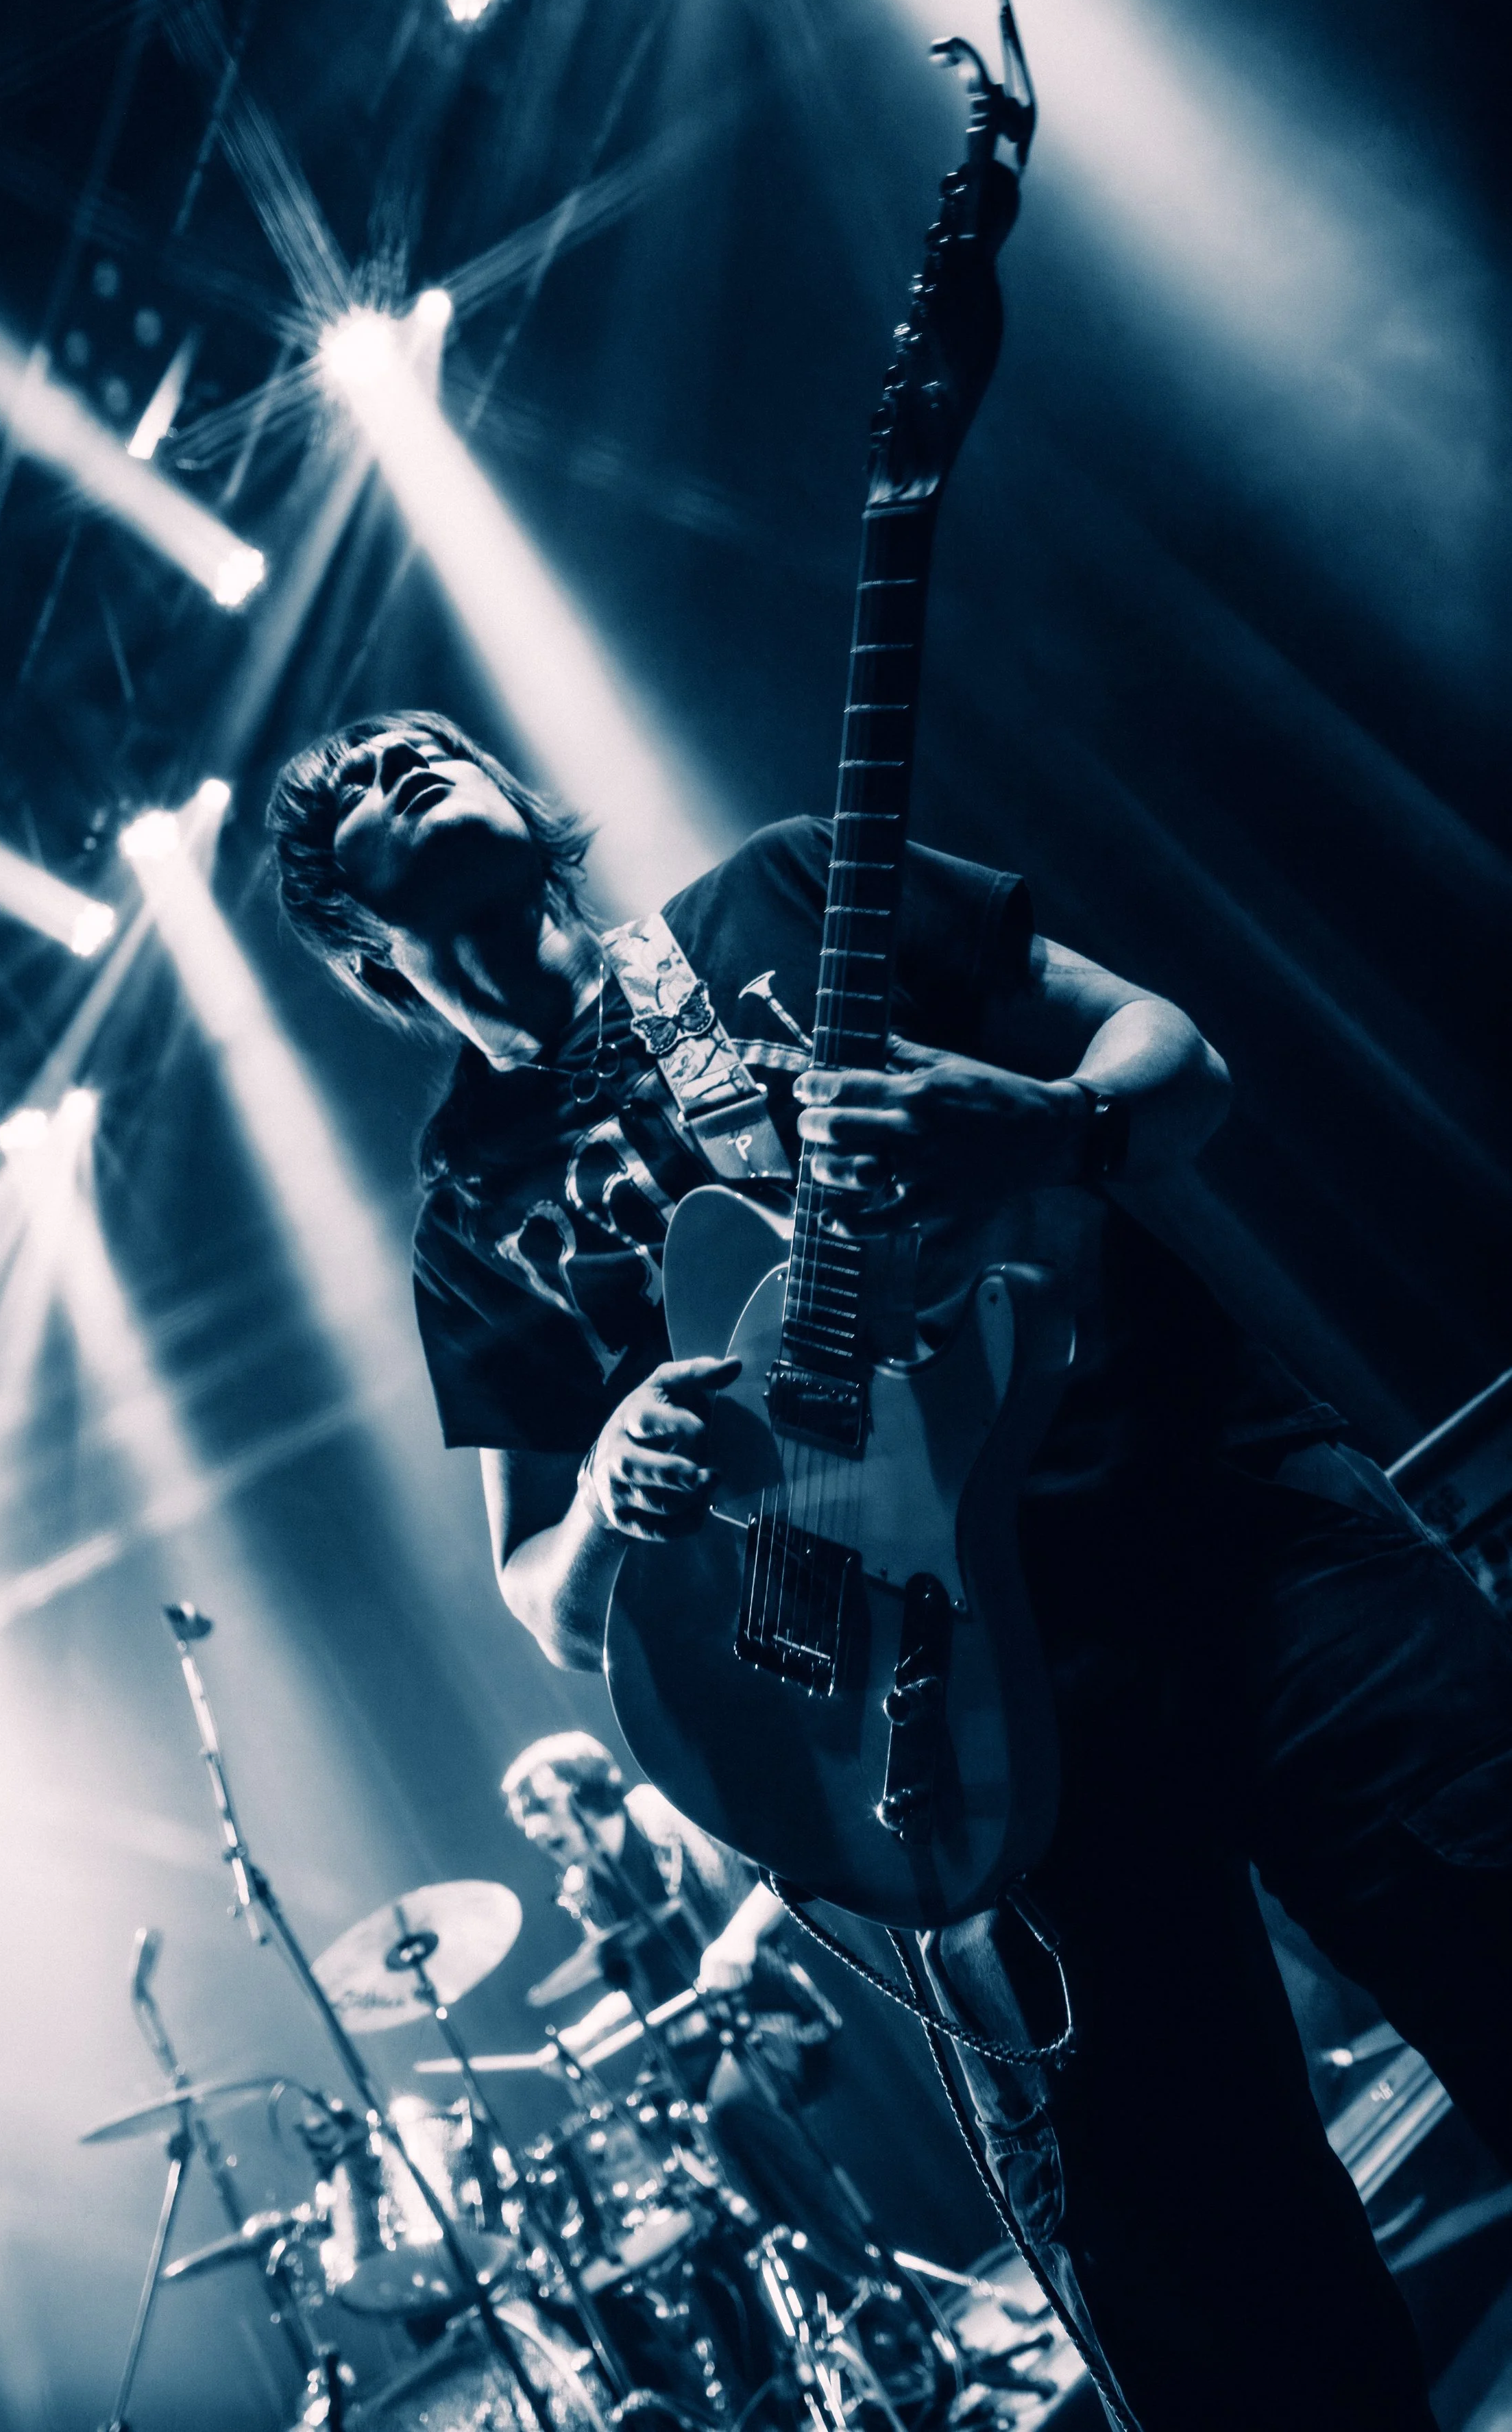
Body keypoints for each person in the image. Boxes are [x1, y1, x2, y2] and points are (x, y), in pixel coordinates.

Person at [266, 713, 1512, 2432]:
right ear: (349, 929)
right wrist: (617, 1492)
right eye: (352, 784)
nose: (399, 758)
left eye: (425, 741)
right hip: (959, 1730)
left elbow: (1181, 1067)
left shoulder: (788, 893)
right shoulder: (473, 1214)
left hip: (1228, 1533)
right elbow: (538, 1585)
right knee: (1236, 2310)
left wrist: (1055, 1124)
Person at [499, 1729, 858, 2274]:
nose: (533, 1828)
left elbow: (786, 1870)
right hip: (694, 2055)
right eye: (523, 1816)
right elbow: (640, 1988)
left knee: (732, 2111)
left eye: (541, 1806)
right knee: (676, 2149)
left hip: (770, 2018)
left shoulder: (670, 1817)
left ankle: (860, 2278)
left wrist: (739, 1936)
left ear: (587, 1793)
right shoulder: (587, 1888)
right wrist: (582, 2037)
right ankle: (806, 2299)